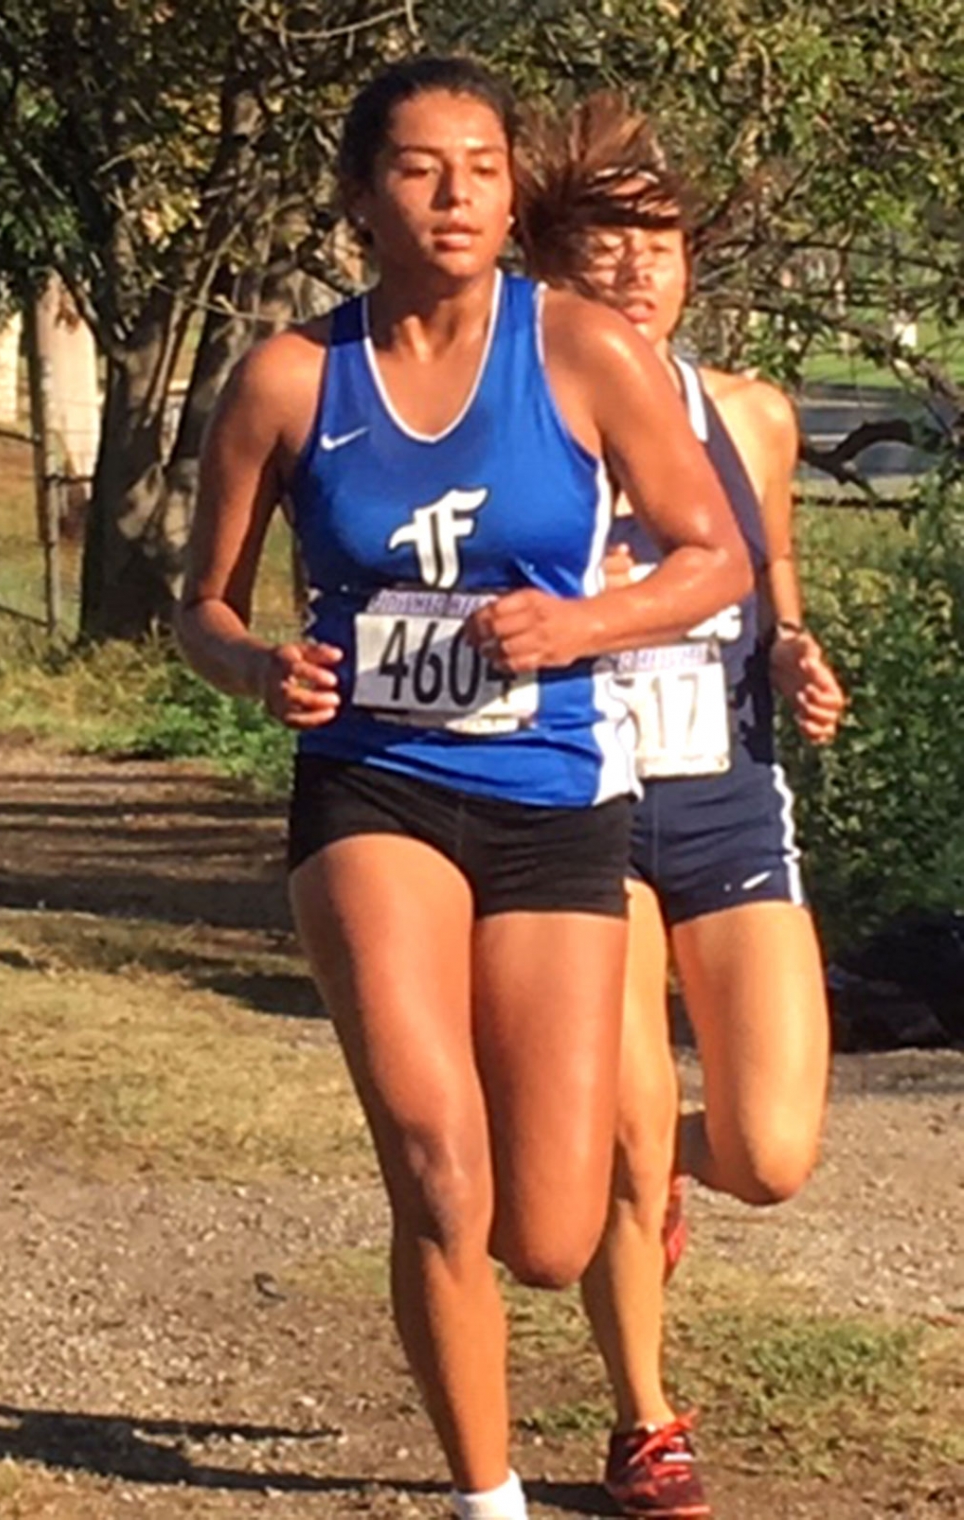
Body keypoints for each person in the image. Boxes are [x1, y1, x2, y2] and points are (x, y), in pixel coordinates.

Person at [175, 57, 750, 1520]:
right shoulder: (293, 376)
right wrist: (259, 674)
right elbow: (204, 607)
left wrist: (580, 625)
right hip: (374, 788)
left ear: (508, 194)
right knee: (435, 1166)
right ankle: (481, 1496)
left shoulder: (578, 352)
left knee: (547, 1232)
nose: (456, 195)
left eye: (482, 168)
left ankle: (547, 1217)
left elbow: (713, 555)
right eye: (423, 168)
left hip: (554, 793)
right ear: (363, 194)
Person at [517, 94, 846, 1518]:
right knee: (632, 1121)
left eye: (661, 242)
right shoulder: (522, 414)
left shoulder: (753, 416)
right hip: (581, 792)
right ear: (551, 257)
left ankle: (622, 1168)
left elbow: (767, 591)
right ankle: (645, 1421)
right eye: (607, 241)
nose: (640, 268)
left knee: (767, 1153)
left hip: (723, 794)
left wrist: (798, 652)